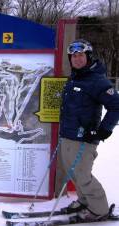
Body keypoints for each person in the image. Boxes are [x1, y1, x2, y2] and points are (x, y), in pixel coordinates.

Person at [58, 39, 119, 221]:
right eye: (73, 56)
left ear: (88, 57)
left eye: (81, 55)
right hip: (69, 136)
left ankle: (99, 210)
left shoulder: (96, 81)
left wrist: (102, 131)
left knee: (83, 175)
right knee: (74, 174)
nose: (76, 59)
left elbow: (116, 105)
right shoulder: (75, 78)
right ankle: (84, 201)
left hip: (84, 139)